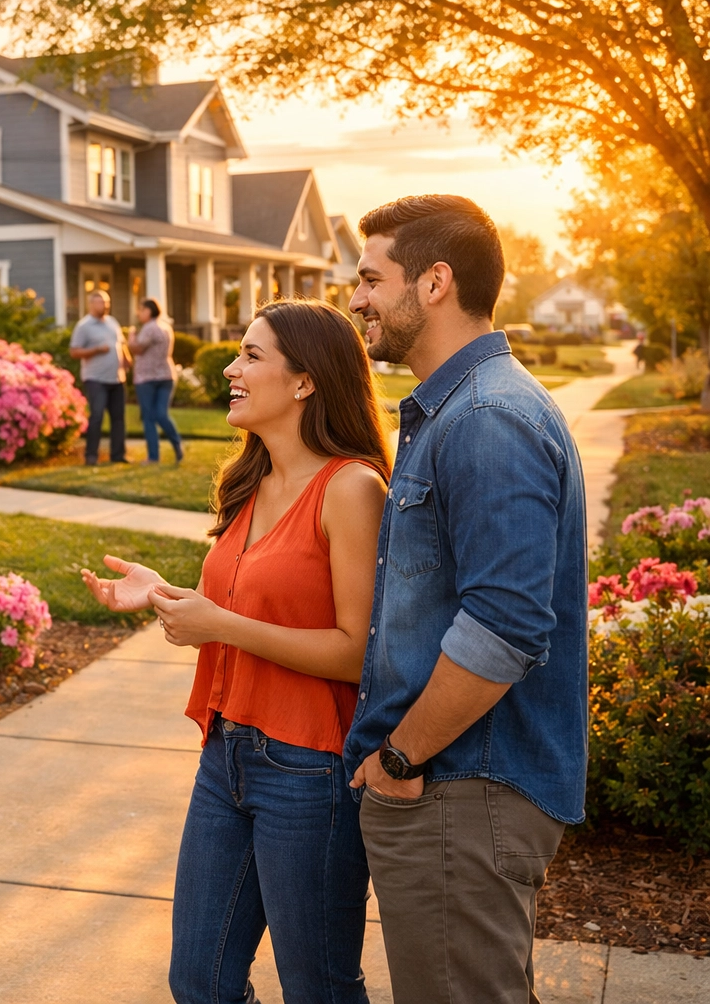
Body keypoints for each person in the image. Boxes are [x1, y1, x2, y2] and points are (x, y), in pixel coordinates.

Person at [80, 298, 390, 1004]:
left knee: (320, 987)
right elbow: (247, 607)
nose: (231, 367)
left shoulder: (351, 488)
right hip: (227, 756)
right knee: (201, 979)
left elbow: (356, 653)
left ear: (306, 381)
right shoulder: (251, 481)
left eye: (252, 355)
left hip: (309, 770)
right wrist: (165, 593)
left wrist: (220, 624)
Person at [343, 195, 587, 1004]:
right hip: (457, 791)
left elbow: (505, 628)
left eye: (371, 278)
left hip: (461, 787)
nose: (355, 299)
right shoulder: (463, 408)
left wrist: (402, 758)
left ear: (435, 281)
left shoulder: (484, 418)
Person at [69, 290, 131, 465]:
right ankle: (91, 456)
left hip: (117, 379)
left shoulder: (113, 322)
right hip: (96, 378)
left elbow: (121, 343)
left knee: (118, 418)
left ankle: (118, 455)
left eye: (106, 302)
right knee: (97, 416)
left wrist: (126, 358)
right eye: (100, 302)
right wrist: (96, 350)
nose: (104, 305)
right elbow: (74, 351)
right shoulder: (84, 326)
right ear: (91, 304)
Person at [128, 298, 185, 465]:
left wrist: (131, 336)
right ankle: (176, 445)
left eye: (141, 310)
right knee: (161, 414)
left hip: (147, 378)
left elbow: (137, 348)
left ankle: (153, 457)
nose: (139, 313)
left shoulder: (149, 328)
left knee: (149, 418)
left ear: (149, 311)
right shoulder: (166, 327)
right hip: (167, 376)